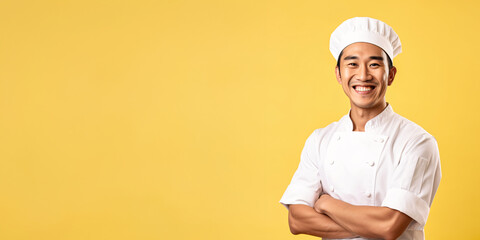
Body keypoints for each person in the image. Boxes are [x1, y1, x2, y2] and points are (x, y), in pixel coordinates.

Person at [279, 17, 441, 240]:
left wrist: (326, 203)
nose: (363, 75)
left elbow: (389, 226)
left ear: (391, 75)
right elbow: (297, 220)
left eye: (374, 64)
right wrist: (372, 226)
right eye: (352, 64)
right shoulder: (320, 140)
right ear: (338, 74)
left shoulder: (416, 142)